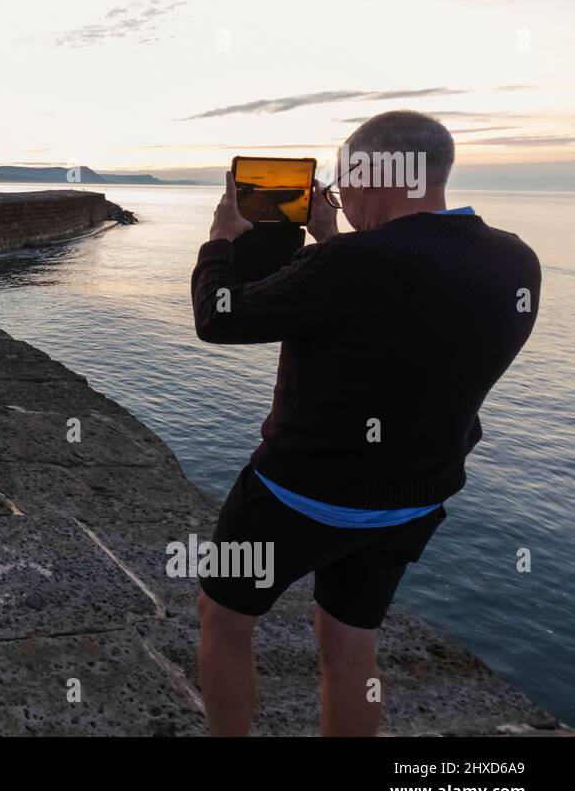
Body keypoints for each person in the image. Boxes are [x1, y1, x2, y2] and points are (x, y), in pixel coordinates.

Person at [190, 110, 541, 736]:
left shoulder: (354, 262)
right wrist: (334, 239)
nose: (339, 191)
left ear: (373, 172)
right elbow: (396, 307)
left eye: (344, 176)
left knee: (224, 623)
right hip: (412, 502)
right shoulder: (516, 260)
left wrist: (220, 239)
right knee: (352, 652)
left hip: (297, 496)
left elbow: (220, 317)